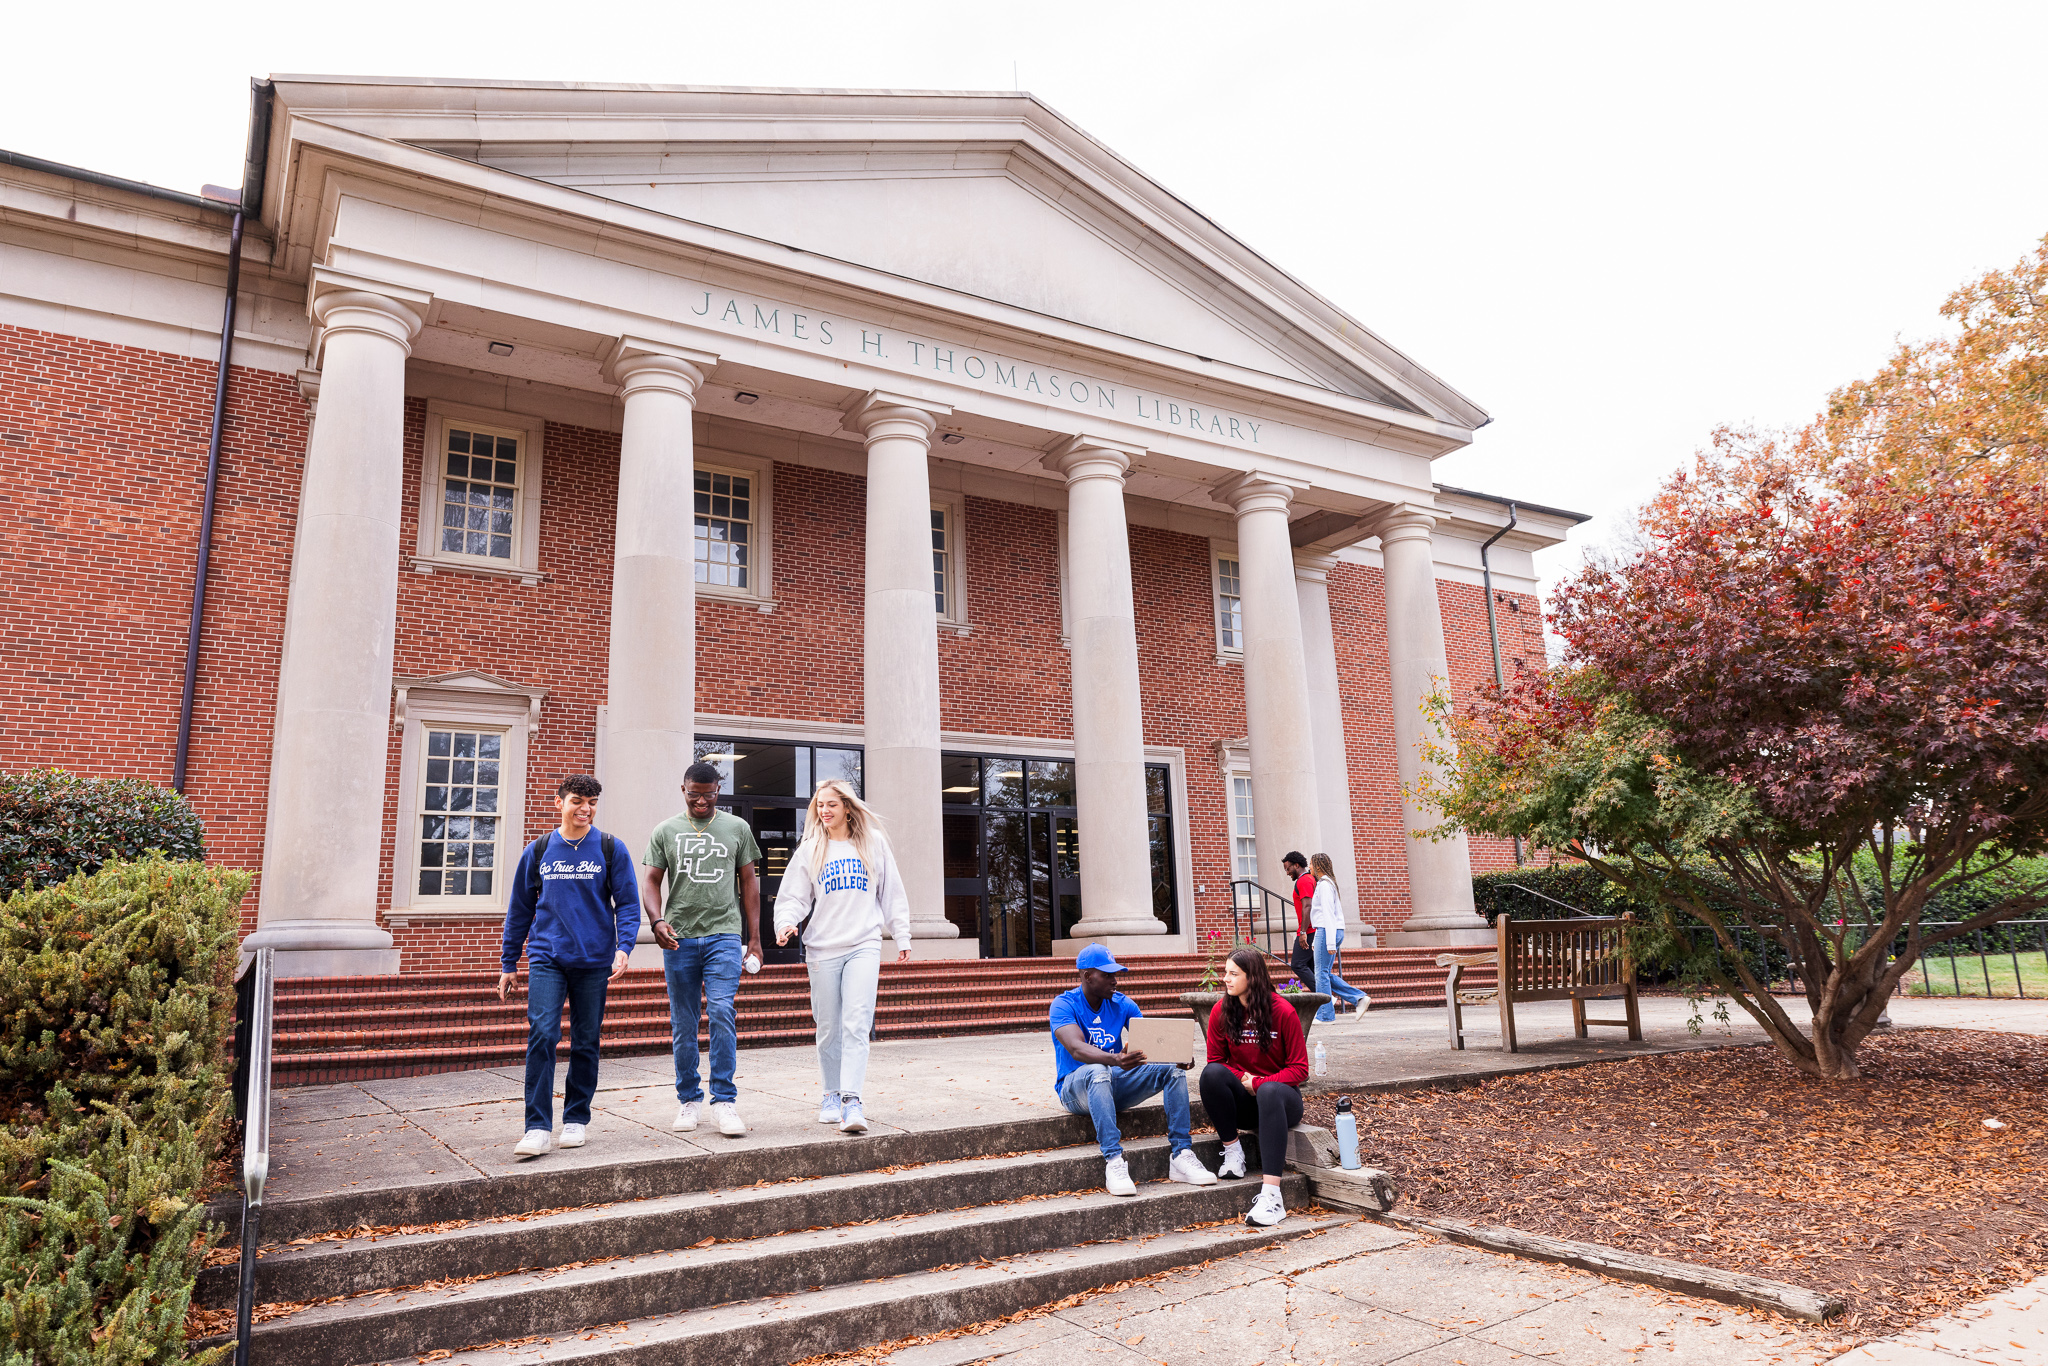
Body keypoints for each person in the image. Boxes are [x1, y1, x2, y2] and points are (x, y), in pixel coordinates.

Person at [498, 775, 640, 1159]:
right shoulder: (539, 849)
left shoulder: (611, 848)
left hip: (595, 960)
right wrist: (508, 961)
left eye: (592, 801)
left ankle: (576, 1117)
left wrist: (624, 947)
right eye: (578, 800)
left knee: (586, 1040)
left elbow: (628, 903)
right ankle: (537, 1127)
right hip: (547, 956)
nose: (586, 808)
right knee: (543, 1034)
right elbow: (520, 909)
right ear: (558, 801)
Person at [773, 778, 912, 1135]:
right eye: (820, 805)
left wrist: (902, 934)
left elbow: (891, 891)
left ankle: (852, 1100)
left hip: (864, 943)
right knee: (829, 1026)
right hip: (822, 947)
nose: (824, 811)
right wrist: (787, 923)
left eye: (831, 805)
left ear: (847, 807)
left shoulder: (873, 844)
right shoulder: (810, 849)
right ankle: (830, 1094)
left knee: (856, 1021)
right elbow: (793, 897)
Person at [644, 759, 764, 1137]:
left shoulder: (737, 828)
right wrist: (656, 920)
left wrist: (755, 938)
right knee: (683, 1022)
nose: (701, 801)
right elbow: (649, 880)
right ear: (684, 790)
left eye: (708, 795)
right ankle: (689, 1100)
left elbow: (750, 885)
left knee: (722, 1010)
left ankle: (724, 1101)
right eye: (694, 794)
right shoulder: (665, 830)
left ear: (718, 791)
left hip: (724, 935)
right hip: (679, 938)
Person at [1050, 944, 1218, 1196]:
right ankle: (1114, 1161)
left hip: (1114, 1083)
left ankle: (1181, 1154)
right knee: (1097, 1070)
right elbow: (1076, 1049)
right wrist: (1115, 1059)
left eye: (1115, 974)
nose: (1115, 981)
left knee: (1171, 1070)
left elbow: (1149, 1044)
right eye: (1107, 975)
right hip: (1076, 1090)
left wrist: (1176, 1056)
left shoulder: (1123, 1003)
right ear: (1087, 976)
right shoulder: (1064, 1004)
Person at [1199, 947, 1308, 1227]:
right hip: (1246, 1104)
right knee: (1211, 1074)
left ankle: (1272, 1196)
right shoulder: (1220, 1012)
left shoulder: (1283, 1011)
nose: (1225, 979)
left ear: (1253, 977)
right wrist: (1244, 1080)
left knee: (1270, 1091)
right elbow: (1217, 1061)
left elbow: (1299, 1069)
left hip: (1282, 1101)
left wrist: (1259, 1083)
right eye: (1225, 972)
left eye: (1233, 974)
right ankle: (1233, 1152)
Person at [1308, 852, 1367, 1023]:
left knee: (1320, 974)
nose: (1309, 867)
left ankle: (1325, 1015)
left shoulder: (1324, 885)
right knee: (1323, 973)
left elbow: (1328, 913)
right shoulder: (1328, 883)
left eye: (1311, 864)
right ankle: (1359, 998)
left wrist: (1329, 940)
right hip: (1328, 930)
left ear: (1318, 866)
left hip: (1328, 930)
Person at [1281, 852, 1317, 988]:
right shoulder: (1308, 879)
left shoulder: (1304, 880)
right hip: (1312, 930)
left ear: (1296, 865)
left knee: (1298, 964)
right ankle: (1325, 1001)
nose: (1287, 872)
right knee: (1312, 968)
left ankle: (1325, 997)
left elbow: (1307, 906)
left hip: (1309, 931)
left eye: (1288, 868)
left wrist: (1303, 932)